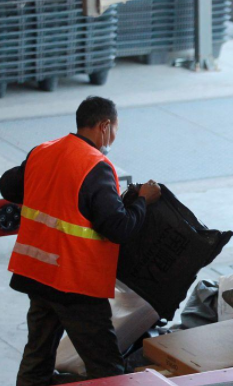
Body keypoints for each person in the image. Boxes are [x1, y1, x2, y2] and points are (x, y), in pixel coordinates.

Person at [0, 96, 162, 386]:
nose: (114, 136)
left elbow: (9, 185)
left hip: (37, 274)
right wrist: (142, 201)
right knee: (105, 368)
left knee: (37, 360)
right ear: (104, 126)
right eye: (115, 129)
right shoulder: (95, 167)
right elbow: (119, 228)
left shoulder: (43, 151)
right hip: (74, 282)